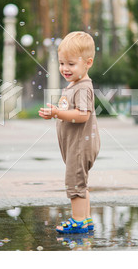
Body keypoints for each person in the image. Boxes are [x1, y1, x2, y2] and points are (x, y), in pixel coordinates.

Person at [38, 31, 100, 234]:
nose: (65, 68)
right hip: (76, 145)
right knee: (81, 182)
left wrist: (57, 113)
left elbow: (83, 115)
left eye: (71, 64)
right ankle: (87, 218)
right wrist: (56, 114)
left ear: (88, 63)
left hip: (80, 146)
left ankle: (78, 220)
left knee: (75, 184)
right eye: (62, 63)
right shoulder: (74, 85)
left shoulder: (83, 88)